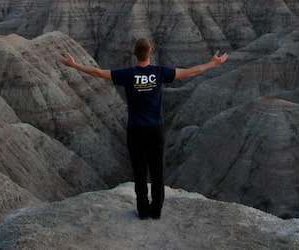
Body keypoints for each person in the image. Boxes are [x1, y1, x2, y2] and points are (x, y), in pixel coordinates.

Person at [58, 38, 229, 220]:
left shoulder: (128, 74)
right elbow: (190, 72)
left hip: (136, 130)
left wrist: (75, 66)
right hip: (156, 129)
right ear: (151, 53)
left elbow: (98, 73)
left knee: (139, 171)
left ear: (134, 54)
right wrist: (213, 63)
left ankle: (143, 211)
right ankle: (156, 211)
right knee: (157, 171)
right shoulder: (159, 72)